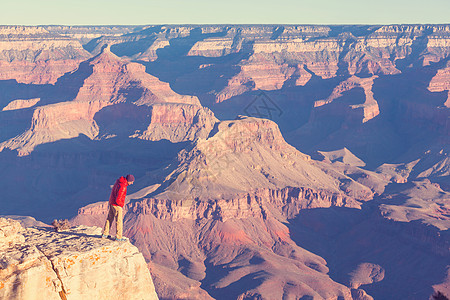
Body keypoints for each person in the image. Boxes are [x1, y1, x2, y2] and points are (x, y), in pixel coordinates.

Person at [102, 174, 134, 241]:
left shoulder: (119, 182)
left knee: (109, 218)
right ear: (129, 181)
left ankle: (105, 234)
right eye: (131, 181)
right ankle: (118, 237)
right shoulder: (123, 187)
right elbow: (118, 199)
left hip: (111, 202)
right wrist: (121, 205)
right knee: (119, 221)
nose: (132, 183)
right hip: (116, 205)